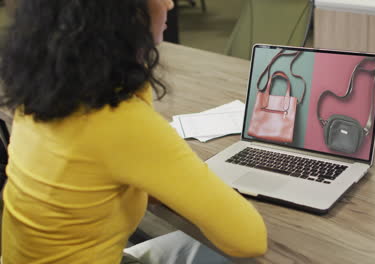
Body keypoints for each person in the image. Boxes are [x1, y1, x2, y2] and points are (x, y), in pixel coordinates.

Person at [0, 0, 267, 263]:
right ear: (120, 13)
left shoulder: (41, 95)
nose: (170, 5)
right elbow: (249, 239)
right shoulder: (118, 121)